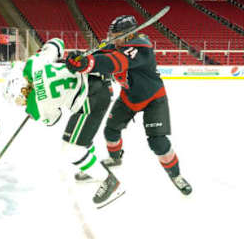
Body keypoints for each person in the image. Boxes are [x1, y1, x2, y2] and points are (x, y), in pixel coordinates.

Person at [65, 15, 192, 199]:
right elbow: (97, 56)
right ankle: (115, 158)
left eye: (116, 35)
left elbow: (115, 63)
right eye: (111, 34)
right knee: (110, 131)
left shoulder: (142, 46)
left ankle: (177, 175)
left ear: (130, 34)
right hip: (129, 97)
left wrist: (89, 64)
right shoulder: (116, 45)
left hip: (153, 99)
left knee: (158, 142)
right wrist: (79, 58)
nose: (112, 38)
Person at [6, 38, 121, 205]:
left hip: (90, 98)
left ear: (21, 91)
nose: (20, 103)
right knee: (79, 137)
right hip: (96, 84)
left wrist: (35, 111)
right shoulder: (33, 63)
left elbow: (54, 118)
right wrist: (42, 55)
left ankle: (110, 182)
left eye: (18, 100)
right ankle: (91, 169)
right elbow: (57, 44)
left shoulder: (35, 108)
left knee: (71, 149)